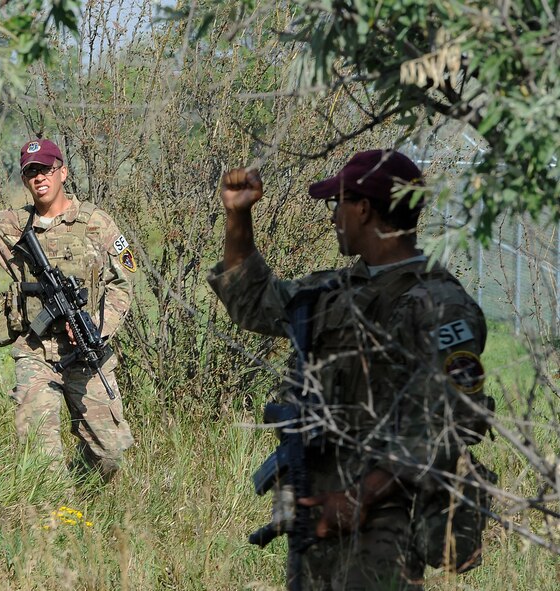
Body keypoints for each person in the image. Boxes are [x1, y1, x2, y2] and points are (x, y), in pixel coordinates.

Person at [208, 150, 492, 590]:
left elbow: (451, 420)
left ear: (362, 208)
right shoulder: (334, 291)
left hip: (388, 521)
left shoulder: (440, 305)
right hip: (320, 510)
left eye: (336, 203)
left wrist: (361, 497)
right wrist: (238, 218)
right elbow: (252, 304)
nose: (333, 216)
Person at [0, 138, 136, 482]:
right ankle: (53, 516)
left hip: (87, 352)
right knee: (40, 452)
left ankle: (82, 496)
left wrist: (98, 326)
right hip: (36, 352)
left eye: (46, 170)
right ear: (25, 180)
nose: (40, 178)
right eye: (31, 172)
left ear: (63, 173)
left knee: (110, 453)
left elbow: (123, 283)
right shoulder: (10, 225)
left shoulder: (97, 223)